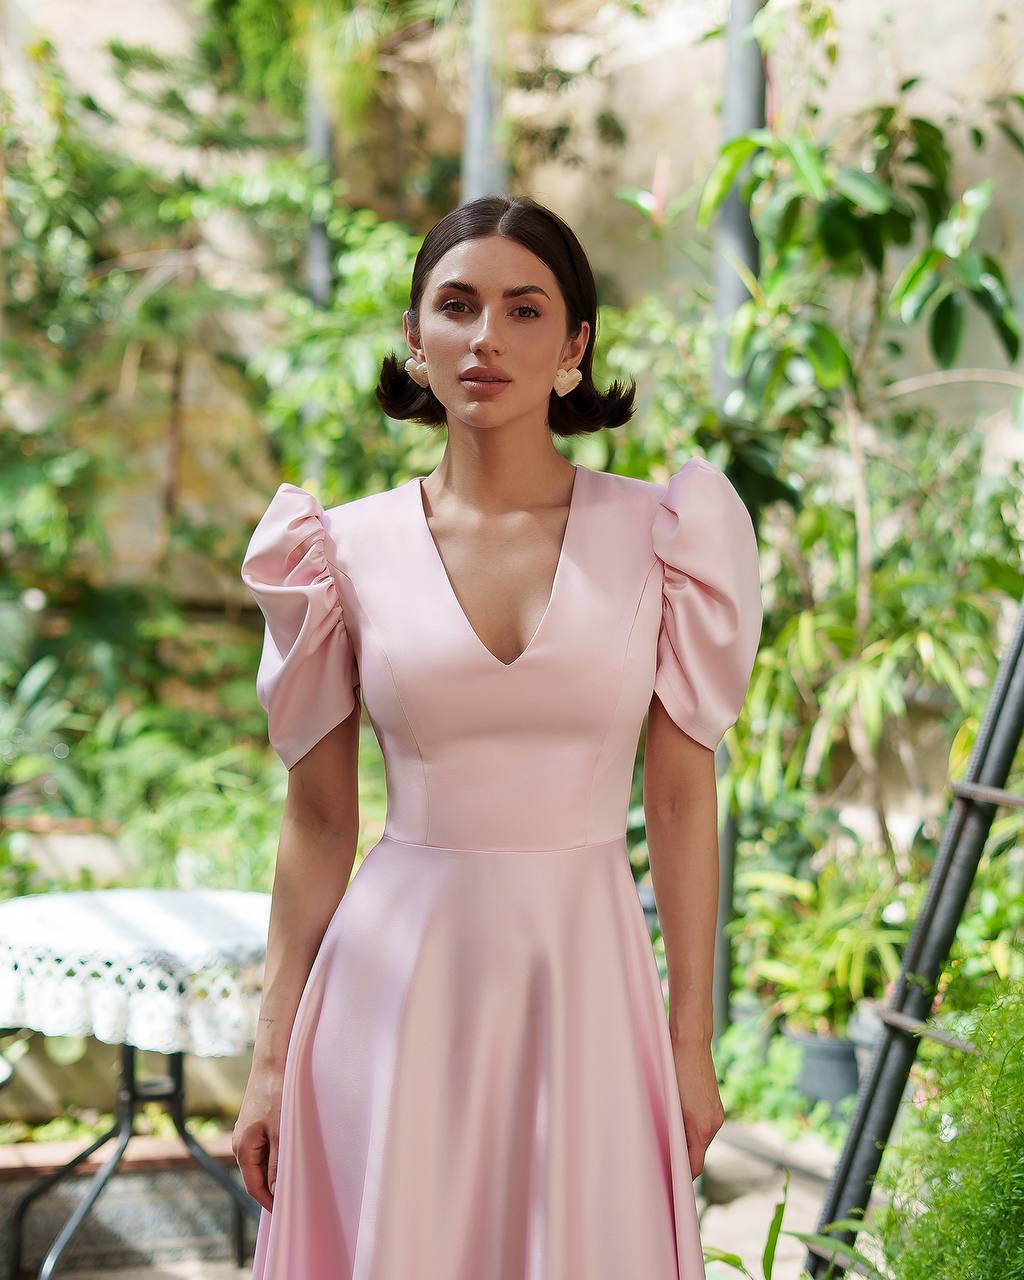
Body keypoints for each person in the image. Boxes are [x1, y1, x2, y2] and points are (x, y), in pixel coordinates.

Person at [233, 193, 763, 1279]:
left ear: (574, 347)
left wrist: (689, 1041)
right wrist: (271, 1056)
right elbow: (321, 817)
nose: (486, 338)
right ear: (413, 339)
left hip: (584, 980)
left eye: (525, 310)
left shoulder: (664, 540)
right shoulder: (338, 552)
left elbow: (677, 799)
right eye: (456, 305)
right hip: (393, 991)